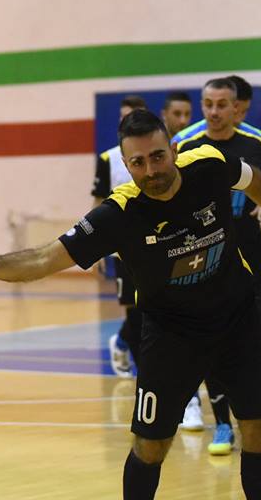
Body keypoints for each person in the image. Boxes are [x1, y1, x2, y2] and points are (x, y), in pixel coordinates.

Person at [0, 109, 261, 500]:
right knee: (151, 445)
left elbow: (254, 181)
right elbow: (42, 259)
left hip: (237, 320)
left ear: (174, 150)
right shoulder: (118, 214)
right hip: (172, 335)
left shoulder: (209, 165)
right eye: (138, 163)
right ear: (126, 165)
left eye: (157, 156)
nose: (151, 170)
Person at [173, 77, 261, 455]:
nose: (214, 112)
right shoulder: (187, 144)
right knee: (209, 335)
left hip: (250, 252)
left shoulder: (253, 142)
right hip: (207, 254)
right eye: (208, 104)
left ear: (237, 108)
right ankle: (221, 423)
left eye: (222, 105)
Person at [93, 95, 146, 379]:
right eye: (124, 115)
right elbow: (99, 205)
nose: (129, 120)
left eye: (134, 114)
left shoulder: (157, 155)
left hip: (158, 243)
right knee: (135, 309)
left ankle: (123, 341)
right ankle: (144, 371)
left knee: (156, 307)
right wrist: (97, 248)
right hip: (124, 249)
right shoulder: (109, 159)